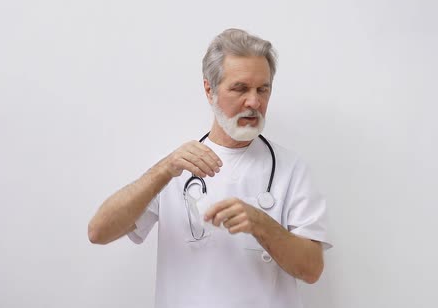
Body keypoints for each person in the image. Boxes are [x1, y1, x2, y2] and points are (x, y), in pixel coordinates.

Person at [88, 28, 332, 308]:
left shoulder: (292, 169)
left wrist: (260, 223)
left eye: (262, 89)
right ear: (209, 90)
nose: (254, 102)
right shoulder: (174, 167)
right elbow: (99, 232)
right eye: (240, 88)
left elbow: (312, 270)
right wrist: (165, 169)